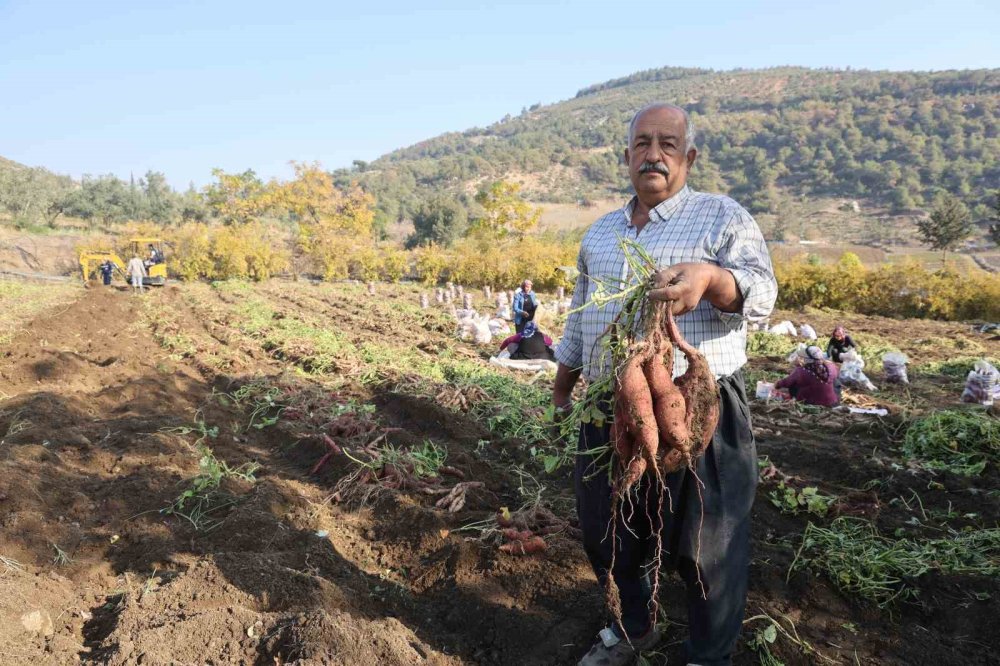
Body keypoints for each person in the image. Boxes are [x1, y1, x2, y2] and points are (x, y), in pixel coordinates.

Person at [553, 103, 777, 666]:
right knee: (608, 529)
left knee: (710, 544)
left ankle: (708, 655)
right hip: (612, 404)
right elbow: (581, 317)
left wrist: (711, 278)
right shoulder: (600, 234)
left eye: (668, 145)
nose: (654, 155)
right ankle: (633, 628)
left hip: (697, 404)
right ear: (626, 155)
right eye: (642, 144)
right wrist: (563, 385)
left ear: (689, 157)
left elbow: (763, 295)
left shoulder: (721, 218)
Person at [774, 346, 840, 406]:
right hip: (832, 401)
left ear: (807, 359)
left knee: (793, 385)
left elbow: (786, 382)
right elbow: (835, 375)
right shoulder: (831, 366)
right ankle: (833, 398)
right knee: (835, 381)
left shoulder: (801, 371)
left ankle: (802, 400)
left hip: (812, 402)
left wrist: (777, 384)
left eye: (803, 358)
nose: (801, 359)